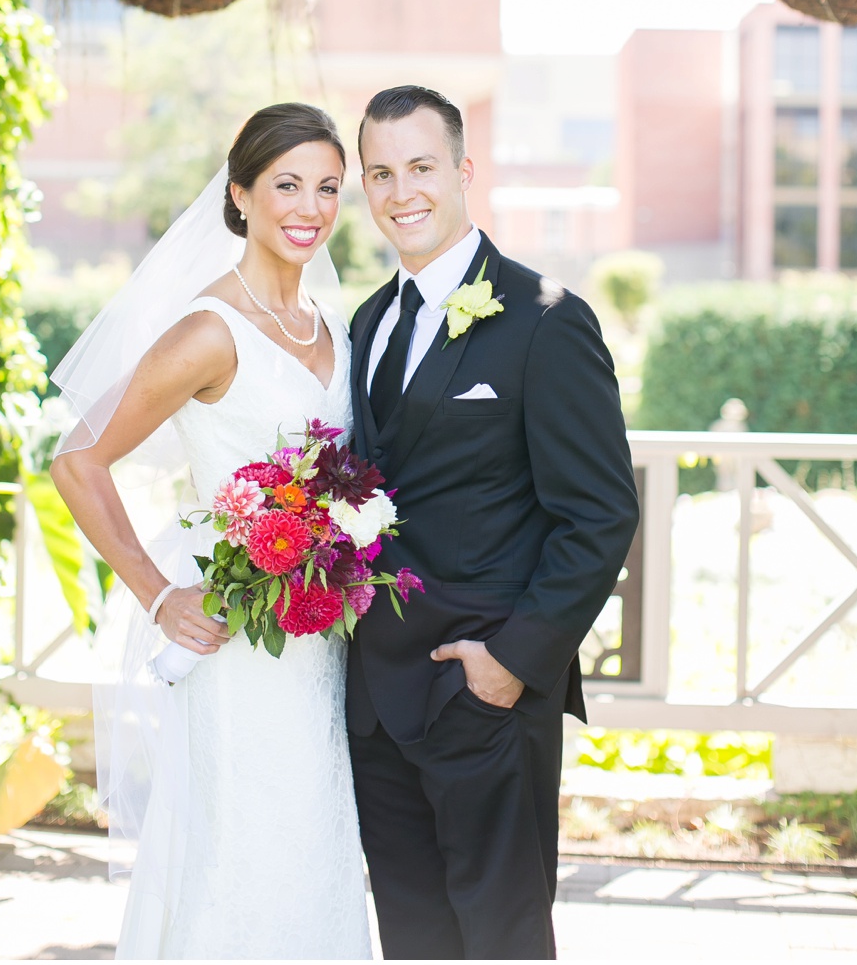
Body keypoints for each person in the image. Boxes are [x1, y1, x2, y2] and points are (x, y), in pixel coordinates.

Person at [51, 103, 372, 960]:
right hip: (236, 640)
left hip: (317, 643)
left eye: (329, 188)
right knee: (242, 846)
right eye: (287, 184)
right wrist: (159, 595)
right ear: (240, 195)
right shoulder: (208, 331)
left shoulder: (336, 328)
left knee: (315, 841)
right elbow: (77, 462)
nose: (309, 207)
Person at [345, 85, 638, 960]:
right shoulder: (367, 323)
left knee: (504, 939)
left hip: (485, 696)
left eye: (422, 167)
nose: (403, 192)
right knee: (414, 938)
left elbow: (600, 513)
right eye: (381, 172)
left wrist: (511, 664)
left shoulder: (547, 320)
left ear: (465, 170)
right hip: (375, 703)